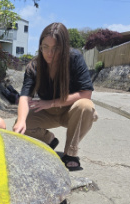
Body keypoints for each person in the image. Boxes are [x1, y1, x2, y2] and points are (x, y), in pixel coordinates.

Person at [13, 23, 97, 171]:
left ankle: (70, 154)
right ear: (40, 46)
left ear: (63, 48)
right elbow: (24, 97)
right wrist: (20, 121)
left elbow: (86, 93)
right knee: (21, 123)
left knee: (86, 105)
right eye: (45, 47)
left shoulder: (75, 58)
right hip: (48, 113)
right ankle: (49, 139)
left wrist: (51, 103)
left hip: (71, 111)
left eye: (55, 48)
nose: (49, 53)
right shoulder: (34, 66)